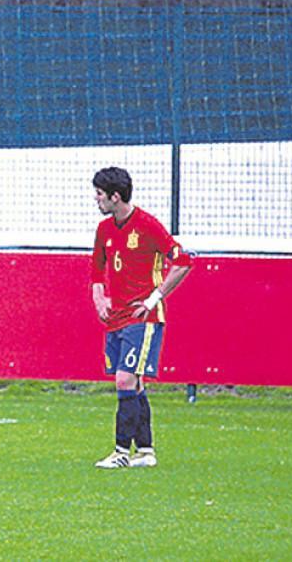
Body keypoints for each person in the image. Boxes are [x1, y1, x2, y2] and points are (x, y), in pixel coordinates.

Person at [90, 167, 192, 469]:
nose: (96, 199)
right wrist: (99, 297)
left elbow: (183, 261)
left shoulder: (147, 225)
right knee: (134, 384)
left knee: (125, 378)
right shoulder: (104, 229)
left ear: (115, 196)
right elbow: (97, 268)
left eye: (99, 194)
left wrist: (152, 299)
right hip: (116, 318)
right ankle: (146, 452)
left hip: (143, 318)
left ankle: (121, 451)